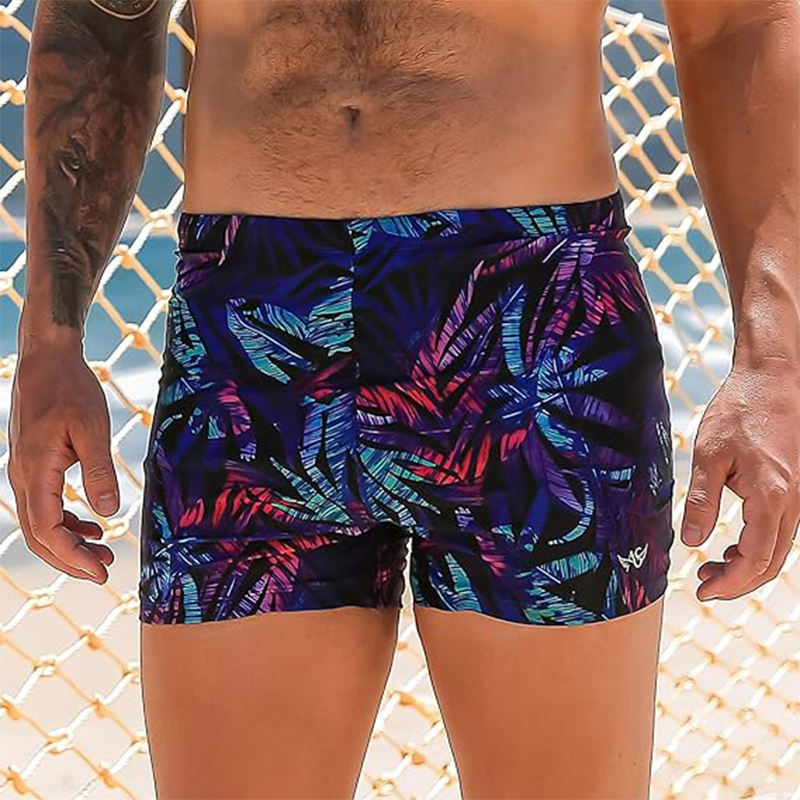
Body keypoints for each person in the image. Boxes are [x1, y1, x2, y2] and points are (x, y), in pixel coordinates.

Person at [10, 0, 798, 797]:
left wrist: (773, 361)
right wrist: (49, 339)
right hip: (251, 332)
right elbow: (101, 18)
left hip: (529, 320)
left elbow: (739, 23)